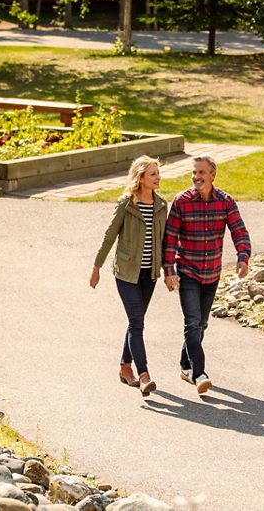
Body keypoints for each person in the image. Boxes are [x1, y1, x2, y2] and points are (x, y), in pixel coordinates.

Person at [162, 155, 250, 395]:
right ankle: (199, 373)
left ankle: (185, 365)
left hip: (211, 272)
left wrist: (243, 256)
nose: (196, 177)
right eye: (194, 173)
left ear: (213, 175)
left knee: (201, 324)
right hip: (188, 270)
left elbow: (239, 230)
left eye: (201, 173)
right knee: (192, 322)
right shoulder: (181, 201)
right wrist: (169, 271)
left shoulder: (225, 201)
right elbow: (170, 239)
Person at [91, 155, 168, 397]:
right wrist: (96, 267)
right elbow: (109, 235)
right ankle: (144, 375)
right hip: (126, 273)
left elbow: (164, 242)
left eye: (158, 173)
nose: (158, 178)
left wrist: (168, 272)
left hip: (149, 274)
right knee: (137, 322)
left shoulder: (161, 205)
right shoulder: (126, 204)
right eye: (153, 174)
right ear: (141, 177)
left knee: (136, 322)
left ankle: (125, 367)